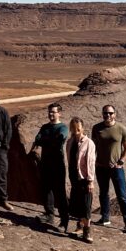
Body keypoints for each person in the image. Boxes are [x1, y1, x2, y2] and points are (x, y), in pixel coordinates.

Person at [92, 105, 126, 234]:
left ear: (115, 114)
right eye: (105, 113)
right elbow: (93, 146)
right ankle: (105, 218)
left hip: (116, 168)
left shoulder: (122, 129)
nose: (108, 115)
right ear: (102, 114)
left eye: (110, 113)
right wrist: (94, 161)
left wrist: (121, 161)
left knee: (122, 195)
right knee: (103, 193)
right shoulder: (96, 128)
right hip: (101, 167)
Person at [32, 102, 70, 230]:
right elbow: (37, 139)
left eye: (53, 112)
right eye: (49, 112)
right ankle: (49, 215)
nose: (51, 114)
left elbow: (59, 140)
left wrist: (45, 140)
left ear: (59, 113)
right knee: (46, 190)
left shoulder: (63, 127)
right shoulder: (45, 127)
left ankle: (64, 221)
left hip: (57, 164)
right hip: (45, 163)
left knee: (60, 193)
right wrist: (48, 140)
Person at [66, 117, 96, 243]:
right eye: (73, 128)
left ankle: (87, 232)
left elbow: (90, 163)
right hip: (74, 177)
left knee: (86, 204)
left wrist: (90, 180)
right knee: (77, 203)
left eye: (78, 128)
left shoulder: (88, 143)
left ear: (82, 128)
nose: (76, 130)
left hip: (84, 178)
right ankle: (79, 227)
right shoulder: (70, 142)